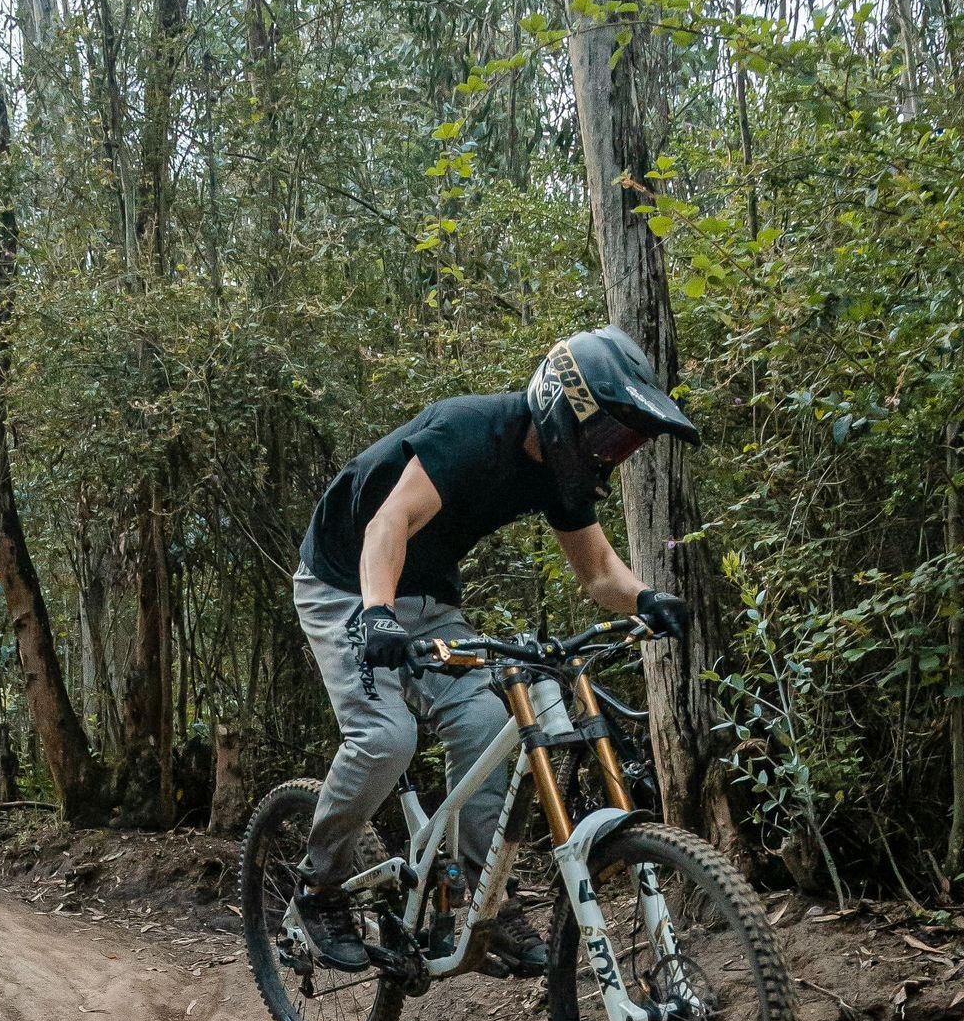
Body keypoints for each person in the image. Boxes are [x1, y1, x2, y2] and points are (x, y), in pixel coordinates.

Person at [292, 326, 699, 974]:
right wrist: (374, 615)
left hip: (426, 603)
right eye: (608, 435)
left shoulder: (558, 475)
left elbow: (598, 574)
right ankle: (318, 888)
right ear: (567, 408)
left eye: (622, 443)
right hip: (347, 584)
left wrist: (647, 598)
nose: (611, 454)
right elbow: (387, 524)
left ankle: (481, 906)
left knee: (486, 727)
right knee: (385, 738)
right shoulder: (469, 433)